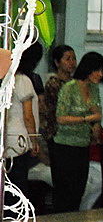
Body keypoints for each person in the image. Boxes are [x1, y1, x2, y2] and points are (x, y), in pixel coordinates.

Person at [51, 51, 103, 213]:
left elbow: (97, 112)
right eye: (98, 70)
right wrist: (86, 119)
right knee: (64, 195)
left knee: (78, 191)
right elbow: (60, 118)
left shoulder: (94, 89)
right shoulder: (69, 88)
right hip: (64, 147)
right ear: (88, 69)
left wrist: (95, 124)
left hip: (83, 146)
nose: (101, 74)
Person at [5, 43, 44, 203]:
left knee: (9, 184)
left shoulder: (9, 79)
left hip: (8, 137)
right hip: (19, 140)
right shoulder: (23, 80)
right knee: (18, 186)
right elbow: (28, 115)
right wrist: (34, 139)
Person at [39, 44, 77, 163]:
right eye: (67, 59)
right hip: (56, 133)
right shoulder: (53, 84)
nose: (72, 62)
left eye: (74, 58)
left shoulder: (75, 83)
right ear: (57, 62)